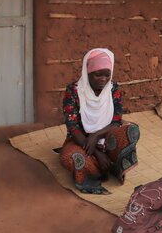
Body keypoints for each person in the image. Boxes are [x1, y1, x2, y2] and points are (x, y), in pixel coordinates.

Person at [58, 48, 139, 194]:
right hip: (81, 143)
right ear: (87, 72)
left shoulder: (113, 89)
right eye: (97, 75)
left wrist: (96, 136)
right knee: (71, 158)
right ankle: (96, 170)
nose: (103, 79)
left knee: (130, 130)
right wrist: (96, 151)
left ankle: (114, 164)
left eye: (107, 75)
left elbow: (116, 121)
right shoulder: (73, 92)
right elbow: (73, 127)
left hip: (108, 140)